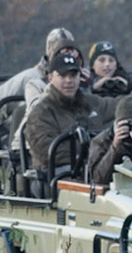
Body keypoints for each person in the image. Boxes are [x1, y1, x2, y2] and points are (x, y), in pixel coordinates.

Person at [0, 26, 73, 159]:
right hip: (22, 150)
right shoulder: (30, 78)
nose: (65, 57)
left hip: (65, 147)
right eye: (60, 51)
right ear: (50, 52)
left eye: (70, 52)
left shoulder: (77, 81)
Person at [16, 43, 107, 173]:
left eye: (73, 75)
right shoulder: (41, 111)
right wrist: (92, 155)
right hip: (55, 176)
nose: (69, 81)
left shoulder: (89, 103)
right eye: (63, 76)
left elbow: (119, 105)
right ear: (50, 78)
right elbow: (48, 153)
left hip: (90, 170)